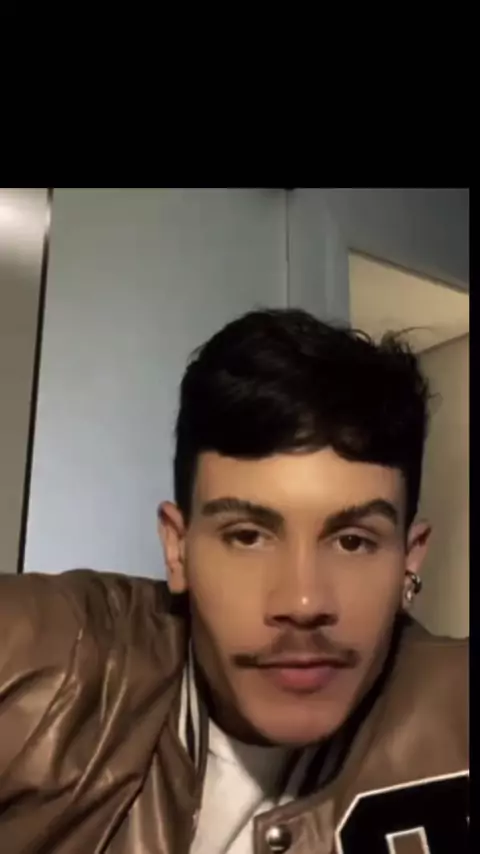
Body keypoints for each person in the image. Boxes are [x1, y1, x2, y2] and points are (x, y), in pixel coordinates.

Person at [0, 309, 468, 854]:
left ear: (410, 557)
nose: (303, 601)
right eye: (247, 536)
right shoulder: (55, 667)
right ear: (178, 548)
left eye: (352, 541)